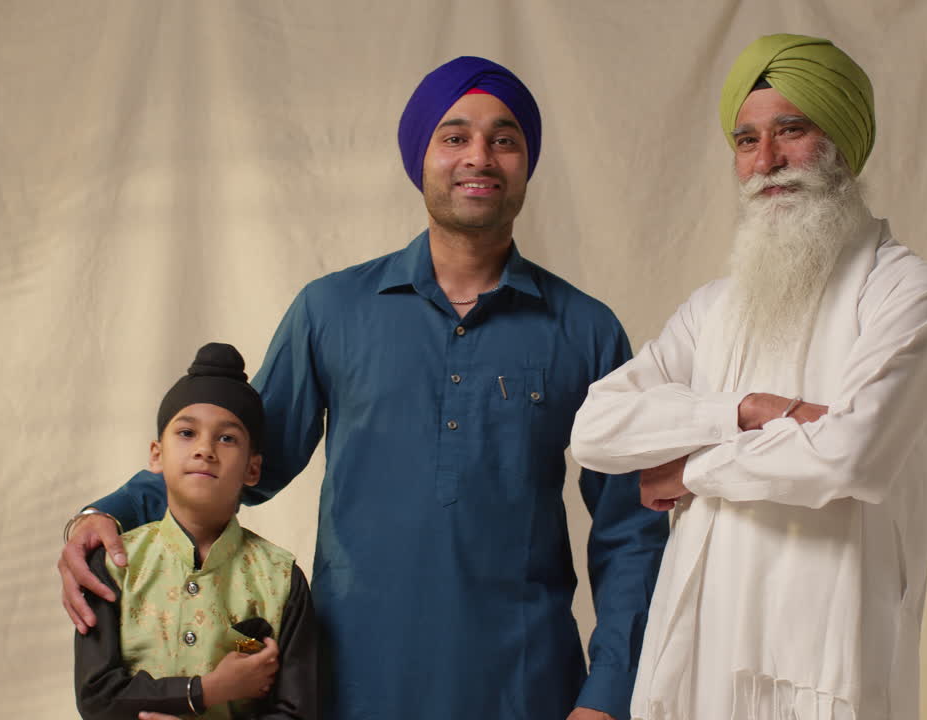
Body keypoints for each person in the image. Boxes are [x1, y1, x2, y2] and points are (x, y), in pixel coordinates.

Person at [59, 57, 669, 720]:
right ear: (421, 157)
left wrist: (607, 694)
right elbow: (237, 463)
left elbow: (629, 529)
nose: (480, 157)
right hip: (349, 686)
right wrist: (106, 514)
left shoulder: (585, 329)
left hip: (525, 687)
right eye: (455, 136)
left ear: (526, 162)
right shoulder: (332, 312)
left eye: (504, 139)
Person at [570, 34, 927, 720]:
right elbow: (595, 429)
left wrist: (686, 472)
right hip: (699, 648)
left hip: (827, 656)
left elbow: (849, 456)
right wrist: (745, 410)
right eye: (747, 140)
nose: (767, 161)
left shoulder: (908, 294)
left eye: (791, 130)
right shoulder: (713, 307)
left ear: (840, 138)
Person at [74, 342, 318, 720]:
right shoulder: (115, 565)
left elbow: (296, 711)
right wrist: (207, 691)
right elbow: (97, 696)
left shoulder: (281, 578)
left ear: (253, 469)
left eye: (227, 438)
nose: (205, 449)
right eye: (187, 432)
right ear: (156, 454)